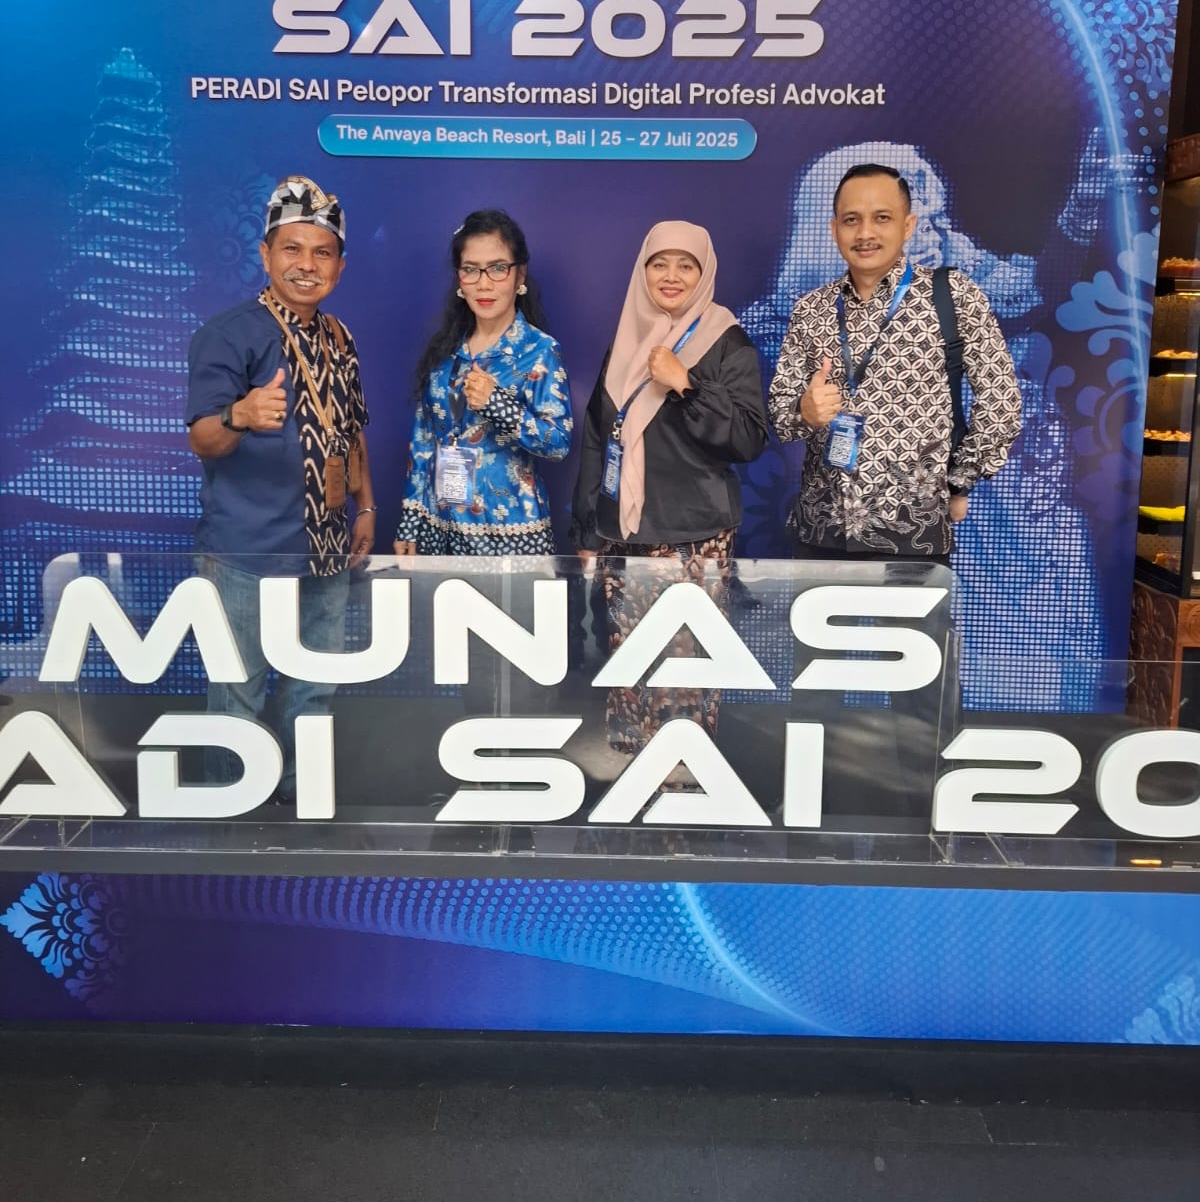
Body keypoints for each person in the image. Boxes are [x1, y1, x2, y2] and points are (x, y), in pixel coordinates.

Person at [186, 175, 375, 799]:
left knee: (314, 685)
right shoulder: (228, 334)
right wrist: (240, 415)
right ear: (265, 255)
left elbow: (351, 429)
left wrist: (366, 505)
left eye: (322, 253)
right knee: (237, 688)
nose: (306, 265)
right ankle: (231, 807)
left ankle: (301, 798)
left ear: (340, 267)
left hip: (326, 546)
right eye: (292, 249)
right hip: (246, 548)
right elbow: (203, 439)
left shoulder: (340, 337)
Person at [572, 220, 769, 765]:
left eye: (687, 265)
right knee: (628, 658)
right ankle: (634, 768)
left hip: (693, 536)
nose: (671, 275)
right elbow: (598, 438)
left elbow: (749, 438)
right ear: (643, 271)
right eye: (659, 263)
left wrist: (687, 384)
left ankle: (683, 771)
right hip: (623, 533)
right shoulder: (626, 338)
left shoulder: (726, 340)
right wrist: (587, 527)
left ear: (704, 274)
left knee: (684, 664)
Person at [769, 161, 1021, 561]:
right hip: (822, 531)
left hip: (913, 534)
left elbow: (1001, 402)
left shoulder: (953, 296)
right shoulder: (811, 309)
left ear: (907, 225)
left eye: (881, 218)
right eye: (851, 220)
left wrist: (959, 482)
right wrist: (805, 412)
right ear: (834, 230)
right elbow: (781, 414)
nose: (865, 233)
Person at [393, 209, 571, 555]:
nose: (484, 283)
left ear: (520, 275)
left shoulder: (539, 350)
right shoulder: (446, 351)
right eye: (471, 269)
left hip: (511, 534)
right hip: (441, 530)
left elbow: (558, 443)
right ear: (459, 279)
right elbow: (423, 440)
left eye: (497, 268)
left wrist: (496, 404)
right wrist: (410, 524)